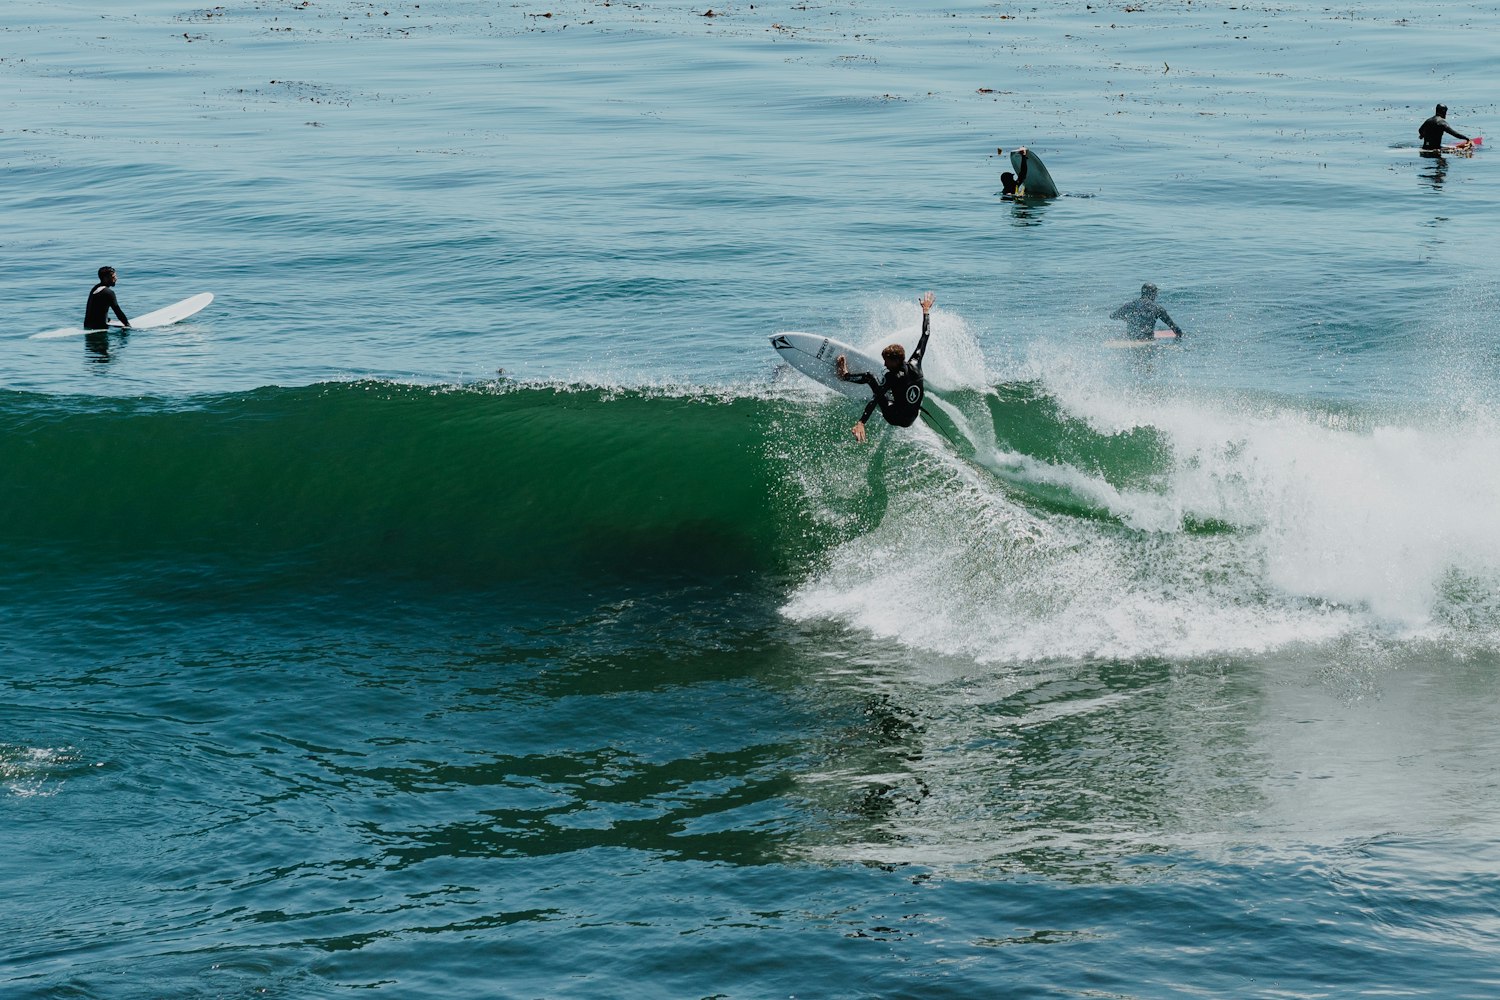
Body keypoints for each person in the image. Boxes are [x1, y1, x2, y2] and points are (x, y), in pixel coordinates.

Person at [835, 292, 934, 443]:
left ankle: (845, 375)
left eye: (886, 361)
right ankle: (896, 396)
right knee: (895, 390)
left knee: (870, 377)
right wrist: (926, 311)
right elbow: (925, 335)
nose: (884, 364)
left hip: (894, 418)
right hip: (912, 418)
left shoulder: (892, 377)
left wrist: (861, 422)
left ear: (895, 361)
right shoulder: (916, 363)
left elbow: (876, 399)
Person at [1110, 283, 1184, 340]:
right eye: (1155, 293)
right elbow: (1173, 326)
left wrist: (1126, 318)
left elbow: (1112, 316)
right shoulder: (1157, 308)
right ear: (1152, 294)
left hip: (1131, 338)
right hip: (1147, 339)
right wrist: (1180, 336)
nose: (1156, 296)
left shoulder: (1130, 305)